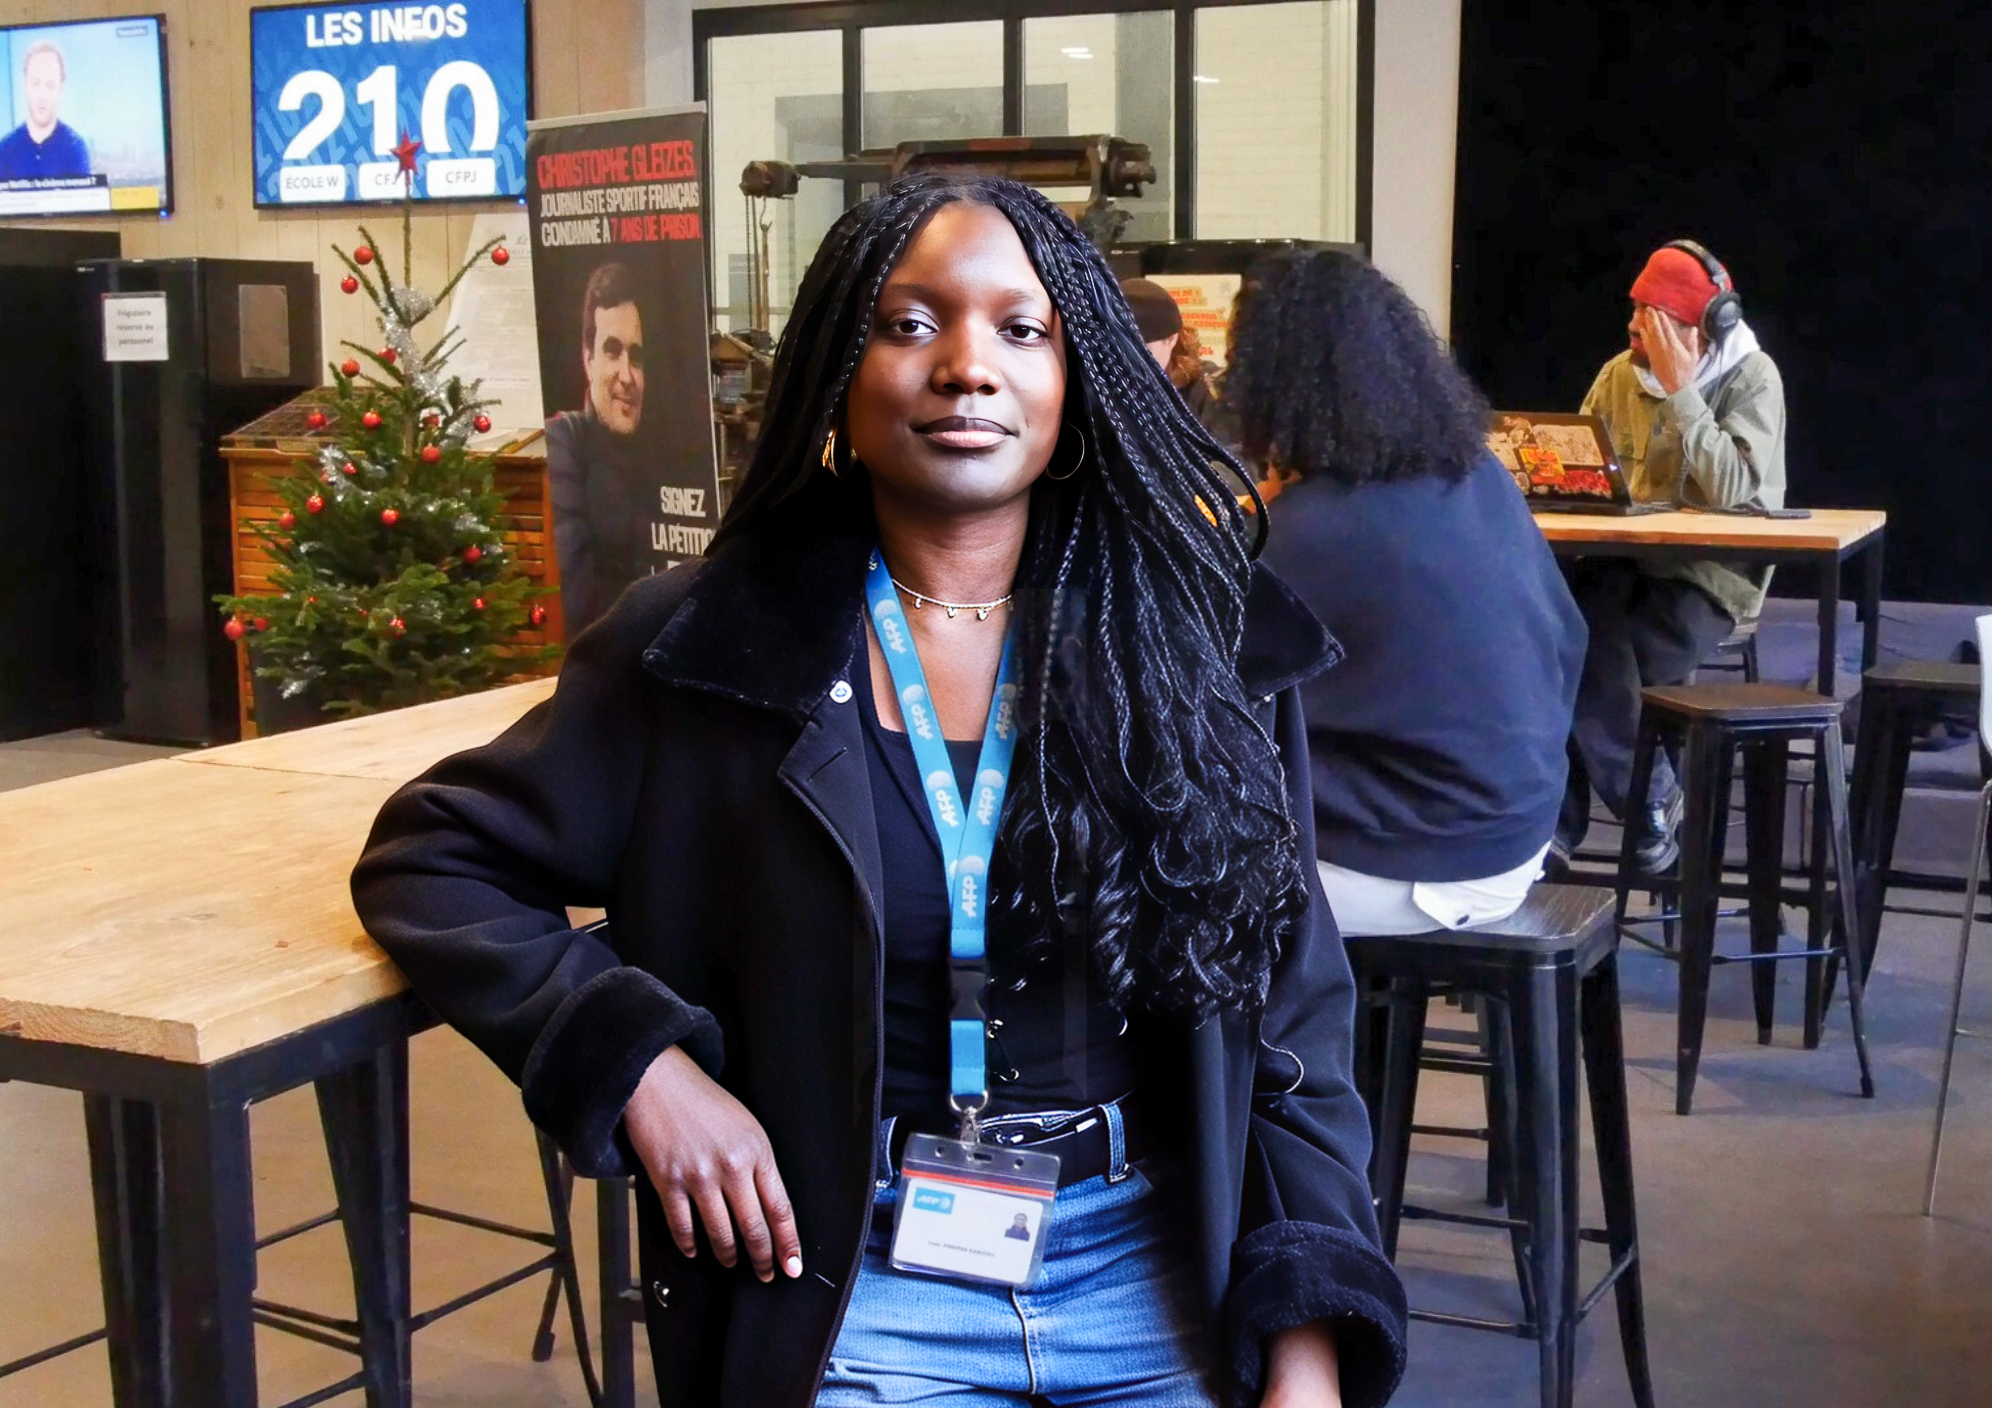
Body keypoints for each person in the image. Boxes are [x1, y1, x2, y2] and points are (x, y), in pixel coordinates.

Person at [354, 174, 1406, 1407]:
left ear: (1079, 382)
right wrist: (641, 1065)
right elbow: (433, 856)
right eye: (912, 324)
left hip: (1153, 1268)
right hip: (855, 1286)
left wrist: (1307, 1345)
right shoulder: (712, 648)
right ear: (837, 374)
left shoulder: (1191, 651)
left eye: (1022, 330)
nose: (968, 365)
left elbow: (1293, 1027)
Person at [1228, 248, 1585, 936]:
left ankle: (1275, 1047)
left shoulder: (1314, 529)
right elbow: (1571, 639)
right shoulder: (1477, 477)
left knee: (1144, 867)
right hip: (1516, 835)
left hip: (1419, 861)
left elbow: (1197, 683)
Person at [1559, 240, 1786, 872]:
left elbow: (1736, 491)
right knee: (1557, 626)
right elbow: (1582, 470)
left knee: (1576, 651)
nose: (1637, 327)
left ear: (1704, 327)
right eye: (1635, 309)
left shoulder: (1751, 377)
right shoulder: (1616, 374)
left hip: (1705, 578)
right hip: (1618, 566)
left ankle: (1569, 824)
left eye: (1655, 317)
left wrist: (1684, 394)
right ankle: (1648, 800)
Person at [545, 261, 651, 637]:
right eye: (612, 351)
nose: (627, 375)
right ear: (587, 359)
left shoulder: (663, 456)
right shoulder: (563, 444)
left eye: (636, 357)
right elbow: (579, 600)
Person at [1120, 275, 1239, 453]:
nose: (1127, 360)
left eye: (1142, 350)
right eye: (1117, 349)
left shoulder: (1209, 392)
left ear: (1172, 339)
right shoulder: (1093, 383)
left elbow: (1231, 465)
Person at [0, 41, 91, 181]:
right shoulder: (5, 149)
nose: (42, 95)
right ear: (25, 84)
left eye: (50, 85)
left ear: (61, 89)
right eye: (36, 83)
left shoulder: (75, 148)